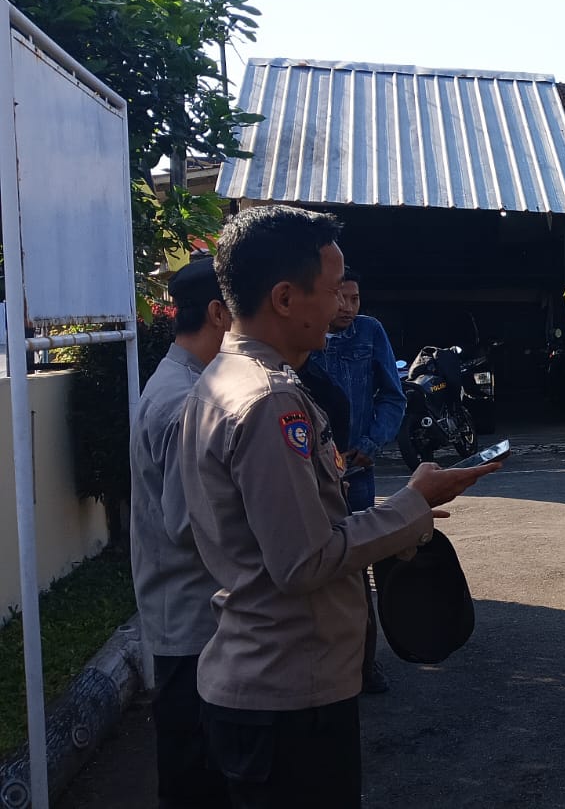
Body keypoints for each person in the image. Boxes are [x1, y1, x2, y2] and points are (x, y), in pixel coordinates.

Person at [179, 206, 498, 808]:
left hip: (269, 684)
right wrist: (414, 503)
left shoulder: (224, 378)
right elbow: (305, 561)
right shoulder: (269, 403)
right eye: (331, 291)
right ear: (284, 298)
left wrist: (404, 513)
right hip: (288, 694)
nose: (341, 307)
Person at [129, 257, 233, 809]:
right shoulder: (182, 401)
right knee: (197, 781)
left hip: (191, 619)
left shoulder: (187, 385)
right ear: (218, 313)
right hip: (193, 626)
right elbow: (192, 524)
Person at [307, 266, 407, 695]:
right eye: (340, 297)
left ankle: (364, 664)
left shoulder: (369, 332)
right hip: (309, 471)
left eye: (356, 298)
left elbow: (393, 396)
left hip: (357, 470)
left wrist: (371, 443)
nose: (348, 307)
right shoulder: (303, 335)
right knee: (314, 564)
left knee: (356, 568)